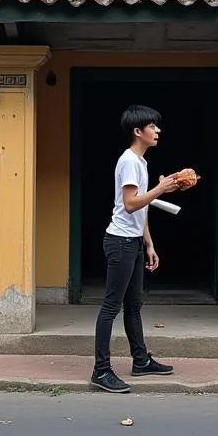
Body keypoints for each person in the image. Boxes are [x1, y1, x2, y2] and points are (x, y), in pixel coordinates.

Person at [91, 105, 180, 394]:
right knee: (110, 307)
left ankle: (140, 360)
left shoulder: (140, 162)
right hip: (119, 242)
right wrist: (161, 189)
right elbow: (130, 203)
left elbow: (139, 209)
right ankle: (101, 371)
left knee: (133, 306)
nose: (158, 131)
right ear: (137, 131)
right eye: (152, 126)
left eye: (157, 126)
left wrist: (149, 244)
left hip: (132, 241)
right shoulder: (129, 161)